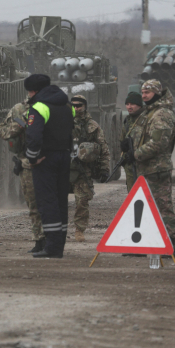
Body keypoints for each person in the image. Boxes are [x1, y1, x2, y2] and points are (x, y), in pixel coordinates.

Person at [124, 79, 175, 254]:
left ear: (156, 92)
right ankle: (141, 244)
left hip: (157, 169)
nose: (144, 95)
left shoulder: (161, 114)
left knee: (162, 207)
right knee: (143, 208)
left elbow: (158, 143)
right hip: (145, 169)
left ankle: (169, 245)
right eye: (143, 92)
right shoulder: (149, 113)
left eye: (147, 92)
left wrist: (136, 154)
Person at [24, 74, 75, 258]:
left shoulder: (39, 107)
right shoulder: (68, 105)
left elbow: (34, 136)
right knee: (61, 201)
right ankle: (59, 245)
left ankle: (52, 248)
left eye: (29, 91)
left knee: (47, 202)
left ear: (35, 91)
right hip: (64, 156)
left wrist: (32, 158)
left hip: (45, 159)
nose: (29, 95)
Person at [0, 100, 45, 253]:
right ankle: (39, 240)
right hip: (27, 163)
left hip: (49, 162)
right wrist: (20, 125)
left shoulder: (51, 108)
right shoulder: (19, 110)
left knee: (49, 203)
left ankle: (52, 240)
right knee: (32, 204)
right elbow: (2, 131)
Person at [69, 95, 110, 242]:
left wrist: (105, 169)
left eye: (79, 105)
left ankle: (79, 230)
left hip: (82, 170)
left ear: (85, 106)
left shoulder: (92, 126)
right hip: (64, 168)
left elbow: (103, 149)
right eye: (73, 105)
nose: (76, 108)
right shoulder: (63, 123)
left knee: (82, 201)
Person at [120, 91, 145, 191]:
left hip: (142, 164)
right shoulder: (128, 120)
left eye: (132, 104)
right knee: (132, 193)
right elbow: (122, 138)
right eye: (127, 104)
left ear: (139, 105)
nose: (129, 107)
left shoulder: (146, 119)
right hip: (130, 164)